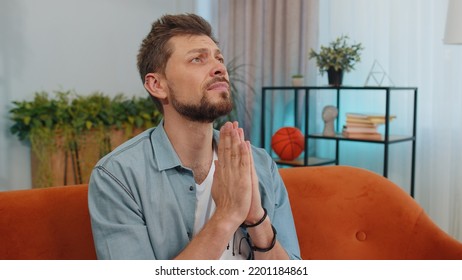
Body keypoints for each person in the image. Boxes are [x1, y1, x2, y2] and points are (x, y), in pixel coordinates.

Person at [88, 13, 300, 260]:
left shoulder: (261, 164)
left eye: (219, 58)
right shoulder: (117, 177)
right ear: (157, 85)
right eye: (197, 59)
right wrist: (228, 214)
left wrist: (256, 219)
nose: (220, 67)